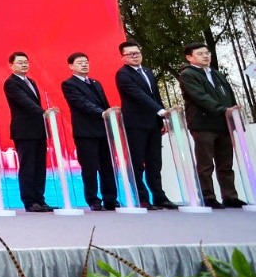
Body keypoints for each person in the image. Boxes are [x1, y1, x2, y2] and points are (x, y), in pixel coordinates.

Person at [177, 42, 245, 209]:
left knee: (226, 164)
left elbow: (229, 95)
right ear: (189, 57)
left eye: (207, 53)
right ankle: (208, 197)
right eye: (200, 54)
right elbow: (200, 96)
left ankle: (230, 196)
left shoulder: (216, 73)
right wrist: (223, 110)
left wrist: (234, 116)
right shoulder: (187, 74)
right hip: (203, 125)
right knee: (205, 165)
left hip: (223, 124)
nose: (205, 56)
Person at [113, 40, 178, 210]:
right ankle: (141, 198)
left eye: (137, 53)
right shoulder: (123, 74)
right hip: (136, 124)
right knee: (137, 163)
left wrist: (163, 118)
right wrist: (159, 110)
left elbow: (155, 96)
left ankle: (159, 196)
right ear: (123, 57)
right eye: (130, 54)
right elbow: (138, 95)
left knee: (154, 162)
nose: (135, 56)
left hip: (153, 123)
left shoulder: (148, 72)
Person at [60, 52, 119, 212]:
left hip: (103, 130)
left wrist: (109, 114)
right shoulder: (69, 84)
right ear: (71, 66)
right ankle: (93, 200)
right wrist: (102, 112)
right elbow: (81, 103)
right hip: (85, 132)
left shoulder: (95, 83)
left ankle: (110, 199)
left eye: (86, 62)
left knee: (107, 166)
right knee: (89, 168)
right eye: (80, 62)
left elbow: (105, 104)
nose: (84, 65)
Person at [3, 51, 53, 212]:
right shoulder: (11, 83)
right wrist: (43, 112)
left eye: (26, 62)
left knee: (39, 167)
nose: (24, 64)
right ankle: (30, 201)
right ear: (11, 65)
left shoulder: (31, 81)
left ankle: (40, 199)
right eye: (20, 62)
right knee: (28, 166)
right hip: (24, 131)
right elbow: (25, 102)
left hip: (38, 129)